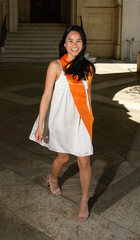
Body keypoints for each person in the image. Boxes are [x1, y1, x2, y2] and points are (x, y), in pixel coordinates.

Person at [29, 25, 95, 222]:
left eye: (79, 41)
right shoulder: (55, 66)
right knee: (63, 158)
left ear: (83, 44)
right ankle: (54, 178)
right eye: (71, 41)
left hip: (81, 121)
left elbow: (88, 96)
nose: (75, 45)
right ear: (64, 44)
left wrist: (90, 120)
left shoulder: (89, 68)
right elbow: (46, 95)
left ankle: (84, 200)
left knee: (84, 160)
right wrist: (41, 124)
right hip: (61, 120)